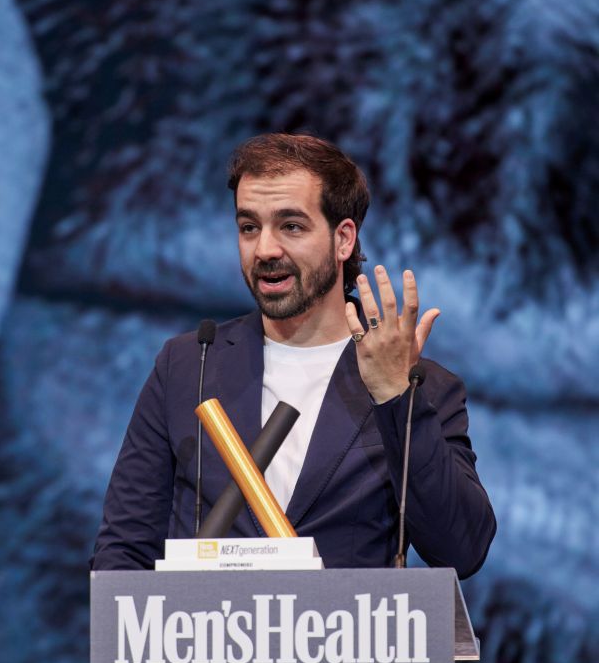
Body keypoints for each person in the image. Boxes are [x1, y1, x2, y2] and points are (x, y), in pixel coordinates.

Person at [91, 133, 496, 575]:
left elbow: (461, 550)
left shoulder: (419, 384)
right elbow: (124, 549)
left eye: (291, 226)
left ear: (343, 240)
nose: (265, 249)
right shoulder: (188, 365)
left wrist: (396, 398)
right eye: (249, 227)